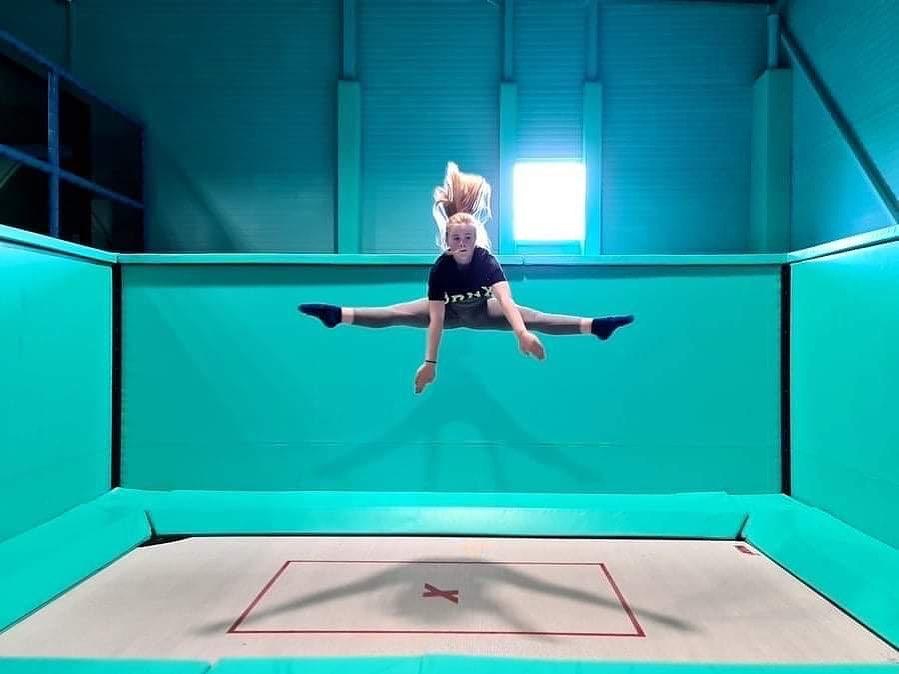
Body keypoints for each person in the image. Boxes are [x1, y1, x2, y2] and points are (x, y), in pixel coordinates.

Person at [299, 162, 633, 394]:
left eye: (468, 239)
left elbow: (506, 301)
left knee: (535, 318)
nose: (462, 245)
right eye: (456, 239)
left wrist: (521, 334)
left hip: (482, 311)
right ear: (447, 241)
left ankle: (596, 326)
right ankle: (337, 314)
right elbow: (435, 319)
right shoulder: (440, 269)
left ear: (475, 240)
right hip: (450, 313)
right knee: (396, 312)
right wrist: (430, 362)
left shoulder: (486, 262)